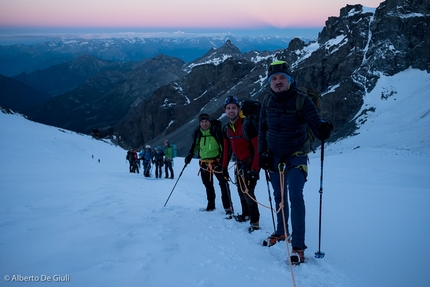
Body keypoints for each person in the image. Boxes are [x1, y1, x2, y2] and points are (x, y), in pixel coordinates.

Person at [258, 60, 333, 263]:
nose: (278, 81)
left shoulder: (301, 100)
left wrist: (322, 130)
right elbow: (262, 128)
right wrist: (262, 152)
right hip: (274, 155)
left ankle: (298, 244)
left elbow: (314, 121)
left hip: (297, 154)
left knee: (295, 196)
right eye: (274, 78)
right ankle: (282, 231)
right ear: (269, 82)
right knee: (279, 196)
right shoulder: (267, 101)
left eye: (282, 77)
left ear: (290, 80)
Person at [222, 96, 261, 232]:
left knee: (249, 192)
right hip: (239, 165)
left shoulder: (247, 125)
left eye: (234, 108)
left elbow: (257, 149)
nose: (231, 111)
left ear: (239, 110)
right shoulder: (227, 128)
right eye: (228, 108)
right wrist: (224, 168)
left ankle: (255, 221)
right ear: (225, 111)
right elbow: (227, 150)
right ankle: (245, 214)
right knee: (240, 190)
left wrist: (255, 170)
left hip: (250, 164)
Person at [185, 113, 233, 215]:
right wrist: (190, 155)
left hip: (216, 162)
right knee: (208, 184)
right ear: (200, 123)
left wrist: (223, 162)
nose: (204, 123)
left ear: (209, 122)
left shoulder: (216, 132)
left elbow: (224, 147)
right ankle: (211, 205)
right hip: (204, 163)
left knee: (223, 184)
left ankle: (228, 207)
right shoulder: (198, 133)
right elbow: (195, 145)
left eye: (206, 121)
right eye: (202, 122)